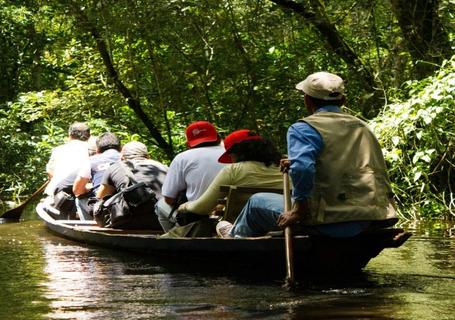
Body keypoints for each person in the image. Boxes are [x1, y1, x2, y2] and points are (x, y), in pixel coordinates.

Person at [216, 72, 398, 238]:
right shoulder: (362, 127)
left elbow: (303, 168)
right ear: (343, 101)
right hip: (374, 214)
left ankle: (234, 236)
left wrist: (299, 210)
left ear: (307, 101)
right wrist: (296, 163)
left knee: (256, 201)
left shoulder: (303, 128)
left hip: (329, 219)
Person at [175, 129, 283, 230]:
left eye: (230, 155)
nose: (231, 159)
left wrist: (185, 206)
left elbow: (202, 208)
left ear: (237, 152)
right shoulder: (285, 168)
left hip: (246, 227)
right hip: (283, 222)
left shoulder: (233, 170)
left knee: (187, 214)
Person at [155, 121, 225, 231]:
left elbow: (168, 198)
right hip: (231, 212)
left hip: (197, 216)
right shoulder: (231, 155)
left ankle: (176, 238)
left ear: (188, 143)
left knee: (160, 204)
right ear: (218, 138)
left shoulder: (182, 158)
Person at [96, 141, 168, 229]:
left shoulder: (115, 167)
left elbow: (100, 197)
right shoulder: (164, 167)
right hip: (165, 220)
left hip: (131, 222)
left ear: (122, 157)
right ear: (148, 156)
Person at [72, 132, 122, 220]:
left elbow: (77, 190)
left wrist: (88, 188)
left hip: (103, 207)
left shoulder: (91, 161)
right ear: (120, 148)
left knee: (79, 199)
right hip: (126, 203)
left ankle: (89, 226)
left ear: (97, 150)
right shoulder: (127, 159)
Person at [44, 122, 91, 197]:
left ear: (70, 135)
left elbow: (50, 171)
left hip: (54, 192)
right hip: (75, 193)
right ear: (89, 136)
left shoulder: (58, 149)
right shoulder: (91, 149)